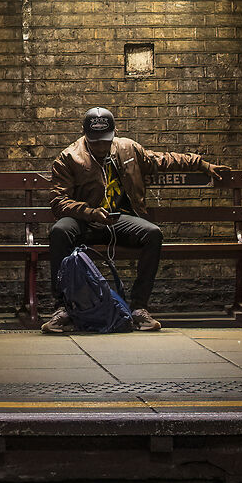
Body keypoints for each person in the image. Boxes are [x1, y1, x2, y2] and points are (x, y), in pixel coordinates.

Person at [39, 107, 219, 335]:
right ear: (85, 135)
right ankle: (63, 309)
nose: (101, 147)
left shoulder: (128, 149)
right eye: (95, 142)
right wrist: (90, 212)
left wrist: (200, 163)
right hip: (85, 221)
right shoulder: (69, 157)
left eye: (105, 141)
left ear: (114, 134)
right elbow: (59, 202)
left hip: (118, 220)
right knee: (59, 231)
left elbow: (162, 160)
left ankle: (139, 308)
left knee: (153, 233)